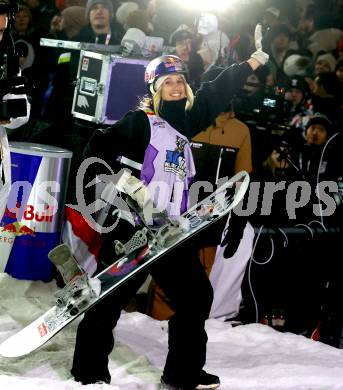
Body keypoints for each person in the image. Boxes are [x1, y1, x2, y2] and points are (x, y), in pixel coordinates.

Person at [69, 24, 268, 388]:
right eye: (167, 82)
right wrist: (129, 186)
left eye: (179, 80)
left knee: (196, 296)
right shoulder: (140, 122)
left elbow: (216, 90)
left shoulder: (186, 124)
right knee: (110, 302)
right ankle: (88, 374)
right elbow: (96, 151)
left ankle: (183, 372)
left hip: (169, 232)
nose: (175, 86)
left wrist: (255, 60)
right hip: (131, 228)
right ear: (155, 89)